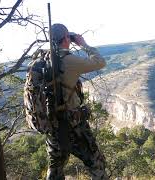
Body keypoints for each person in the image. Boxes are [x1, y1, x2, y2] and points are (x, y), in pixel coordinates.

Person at [46, 23, 108, 180]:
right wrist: (83, 44)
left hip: (52, 123)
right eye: (68, 37)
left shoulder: (45, 60)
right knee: (96, 161)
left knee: (55, 168)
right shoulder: (68, 60)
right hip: (73, 124)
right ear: (67, 38)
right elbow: (100, 62)